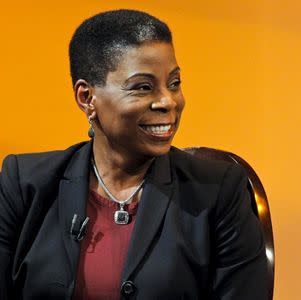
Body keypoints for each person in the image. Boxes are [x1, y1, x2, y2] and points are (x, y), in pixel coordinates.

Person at [0, 9, 268, 300]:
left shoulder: (219, 192)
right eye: (143, 87)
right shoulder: (23, 184)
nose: (168, 101)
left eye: (174, 83)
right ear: (86, 98)